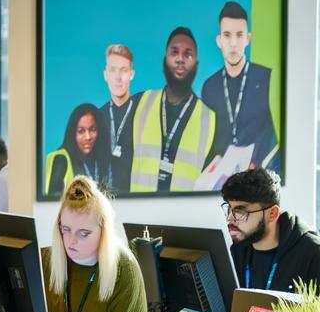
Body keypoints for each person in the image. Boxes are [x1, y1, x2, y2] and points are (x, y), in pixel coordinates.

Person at [45, 176, 147, 312]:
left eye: (84, 234)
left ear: (103, 231)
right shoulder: (46, 260)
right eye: (66, 229)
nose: (71, 241)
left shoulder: (123, 268)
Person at [128, 27, 217, 193]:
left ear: (196, 66)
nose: (180, 59)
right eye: (174, 53)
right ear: (164, 61)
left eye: (188, 54)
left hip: (184, 215)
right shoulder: (141, 102)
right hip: (139, 213)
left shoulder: (210, 118)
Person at [221, 169, 320, 292]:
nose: (230, 218)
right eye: (229, 208)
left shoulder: (315, 253)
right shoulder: (235, 249)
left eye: (241, 211)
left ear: (272, 213)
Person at [200, 1, 278, 181]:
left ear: (247, 39)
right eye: (227, 35)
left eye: (239, 35)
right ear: (219, 41)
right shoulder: (209, 87)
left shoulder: (266, 78)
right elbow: (208, 139)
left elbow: (273, 131)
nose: (233, 43)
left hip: (259, 174)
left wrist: (257, 161)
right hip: (222, 179)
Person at [44, 104, 106, 197]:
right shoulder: (60, 158)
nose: (88, 137)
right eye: (81, 131)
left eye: (93, 129)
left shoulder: (98, 160)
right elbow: (50, 203)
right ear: (72, 132)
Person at [99, 44, 137, 195]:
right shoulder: (97, 117)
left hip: (138, 201)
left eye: (124, 70)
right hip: (104, 202)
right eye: (113, 70)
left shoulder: (143, 113)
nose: (118, 77)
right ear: (105, 75)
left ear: (131, 74)